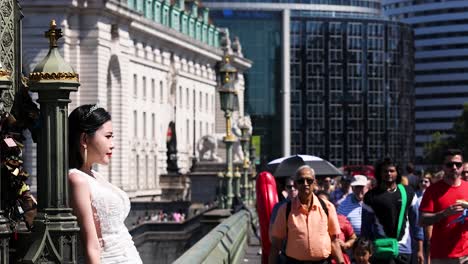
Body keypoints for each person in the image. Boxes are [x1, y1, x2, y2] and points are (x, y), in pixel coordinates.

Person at [68, 104, 142, 264]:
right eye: (108, 136)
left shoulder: (94, 175)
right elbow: (92, 246)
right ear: (85, 139)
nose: (113, 144)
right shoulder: (77, 179)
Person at [269, 165, 345, 264]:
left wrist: (341, 262)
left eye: (309, 180)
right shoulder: (285, 210)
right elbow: (276, 244)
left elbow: (334, 242)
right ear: (295, 185)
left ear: (315, 183)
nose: (305, 184)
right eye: (301, 181)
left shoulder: (327, 207)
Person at [361, 157, 424, 264]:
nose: (388, 174)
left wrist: (420, 250)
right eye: (385, 171)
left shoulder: (408, 192)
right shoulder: (370, 196)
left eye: (392, 171)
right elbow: (366, 228)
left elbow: (416, 224)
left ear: (397, 172)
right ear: (379, 173)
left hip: (404, 250)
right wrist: (366, 252)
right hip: (381, 249)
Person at [419, 149, 468, 264]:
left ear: (462, 166)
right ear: (443, 167)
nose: (454, 167)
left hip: (465, 255)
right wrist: (443, 213)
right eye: (450, 164)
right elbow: (422, 220)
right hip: (442, 256)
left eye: (458, 164)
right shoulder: (432, 190)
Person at [317, 191, 355, 264]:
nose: (321, 205)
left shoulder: (341, 219)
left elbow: (353, 238)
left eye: (323, 202)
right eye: (318, 202)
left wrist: (346, 245)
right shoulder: (310, 221)